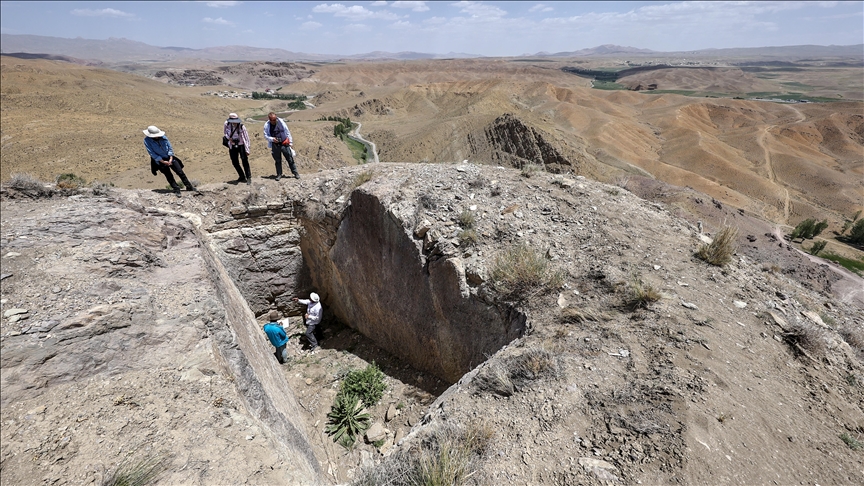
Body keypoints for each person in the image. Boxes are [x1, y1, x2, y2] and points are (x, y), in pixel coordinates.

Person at [143, 125, 196, 197]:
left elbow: (170, 147)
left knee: (180, 171)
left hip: (169, 156)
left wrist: (170, 157)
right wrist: (162, 161)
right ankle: (176, 189)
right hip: (160, 160)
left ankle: (189, 186)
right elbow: (151, 152)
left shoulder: (163, 137)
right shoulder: (147, 141)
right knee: (168, 175)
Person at [263, 112, 299, 181]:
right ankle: (279, 174)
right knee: (278, 161)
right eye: (273, 120)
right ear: (270, 120)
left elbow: (287, 131)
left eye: (275, 119)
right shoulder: (267, 125)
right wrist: (272, 139)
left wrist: (290, 142)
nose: (274, 121)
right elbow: (266, 135)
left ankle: (295, 173)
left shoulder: (281, 121)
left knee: (290, 159)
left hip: (284, 143)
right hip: (275, 145)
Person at [224, 113, 252, 184]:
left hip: (241, 145)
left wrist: (247, 149)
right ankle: (241, 176)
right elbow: (225, 133)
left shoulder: (242, 126)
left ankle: (248, 177)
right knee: (234, 161)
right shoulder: (227, 125)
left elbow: (247, 138)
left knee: (244, 161)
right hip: (232, 146)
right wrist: (229, 138)